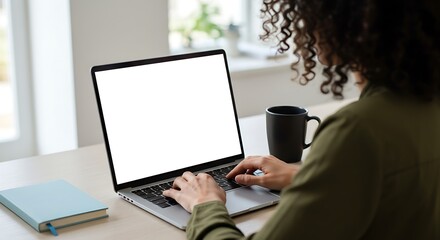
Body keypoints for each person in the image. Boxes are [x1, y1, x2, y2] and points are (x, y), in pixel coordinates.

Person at [163, 0, 440, 239]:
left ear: (355, 20)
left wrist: (205, 204)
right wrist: (312, 179)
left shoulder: (357, 130)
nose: (302, 26)